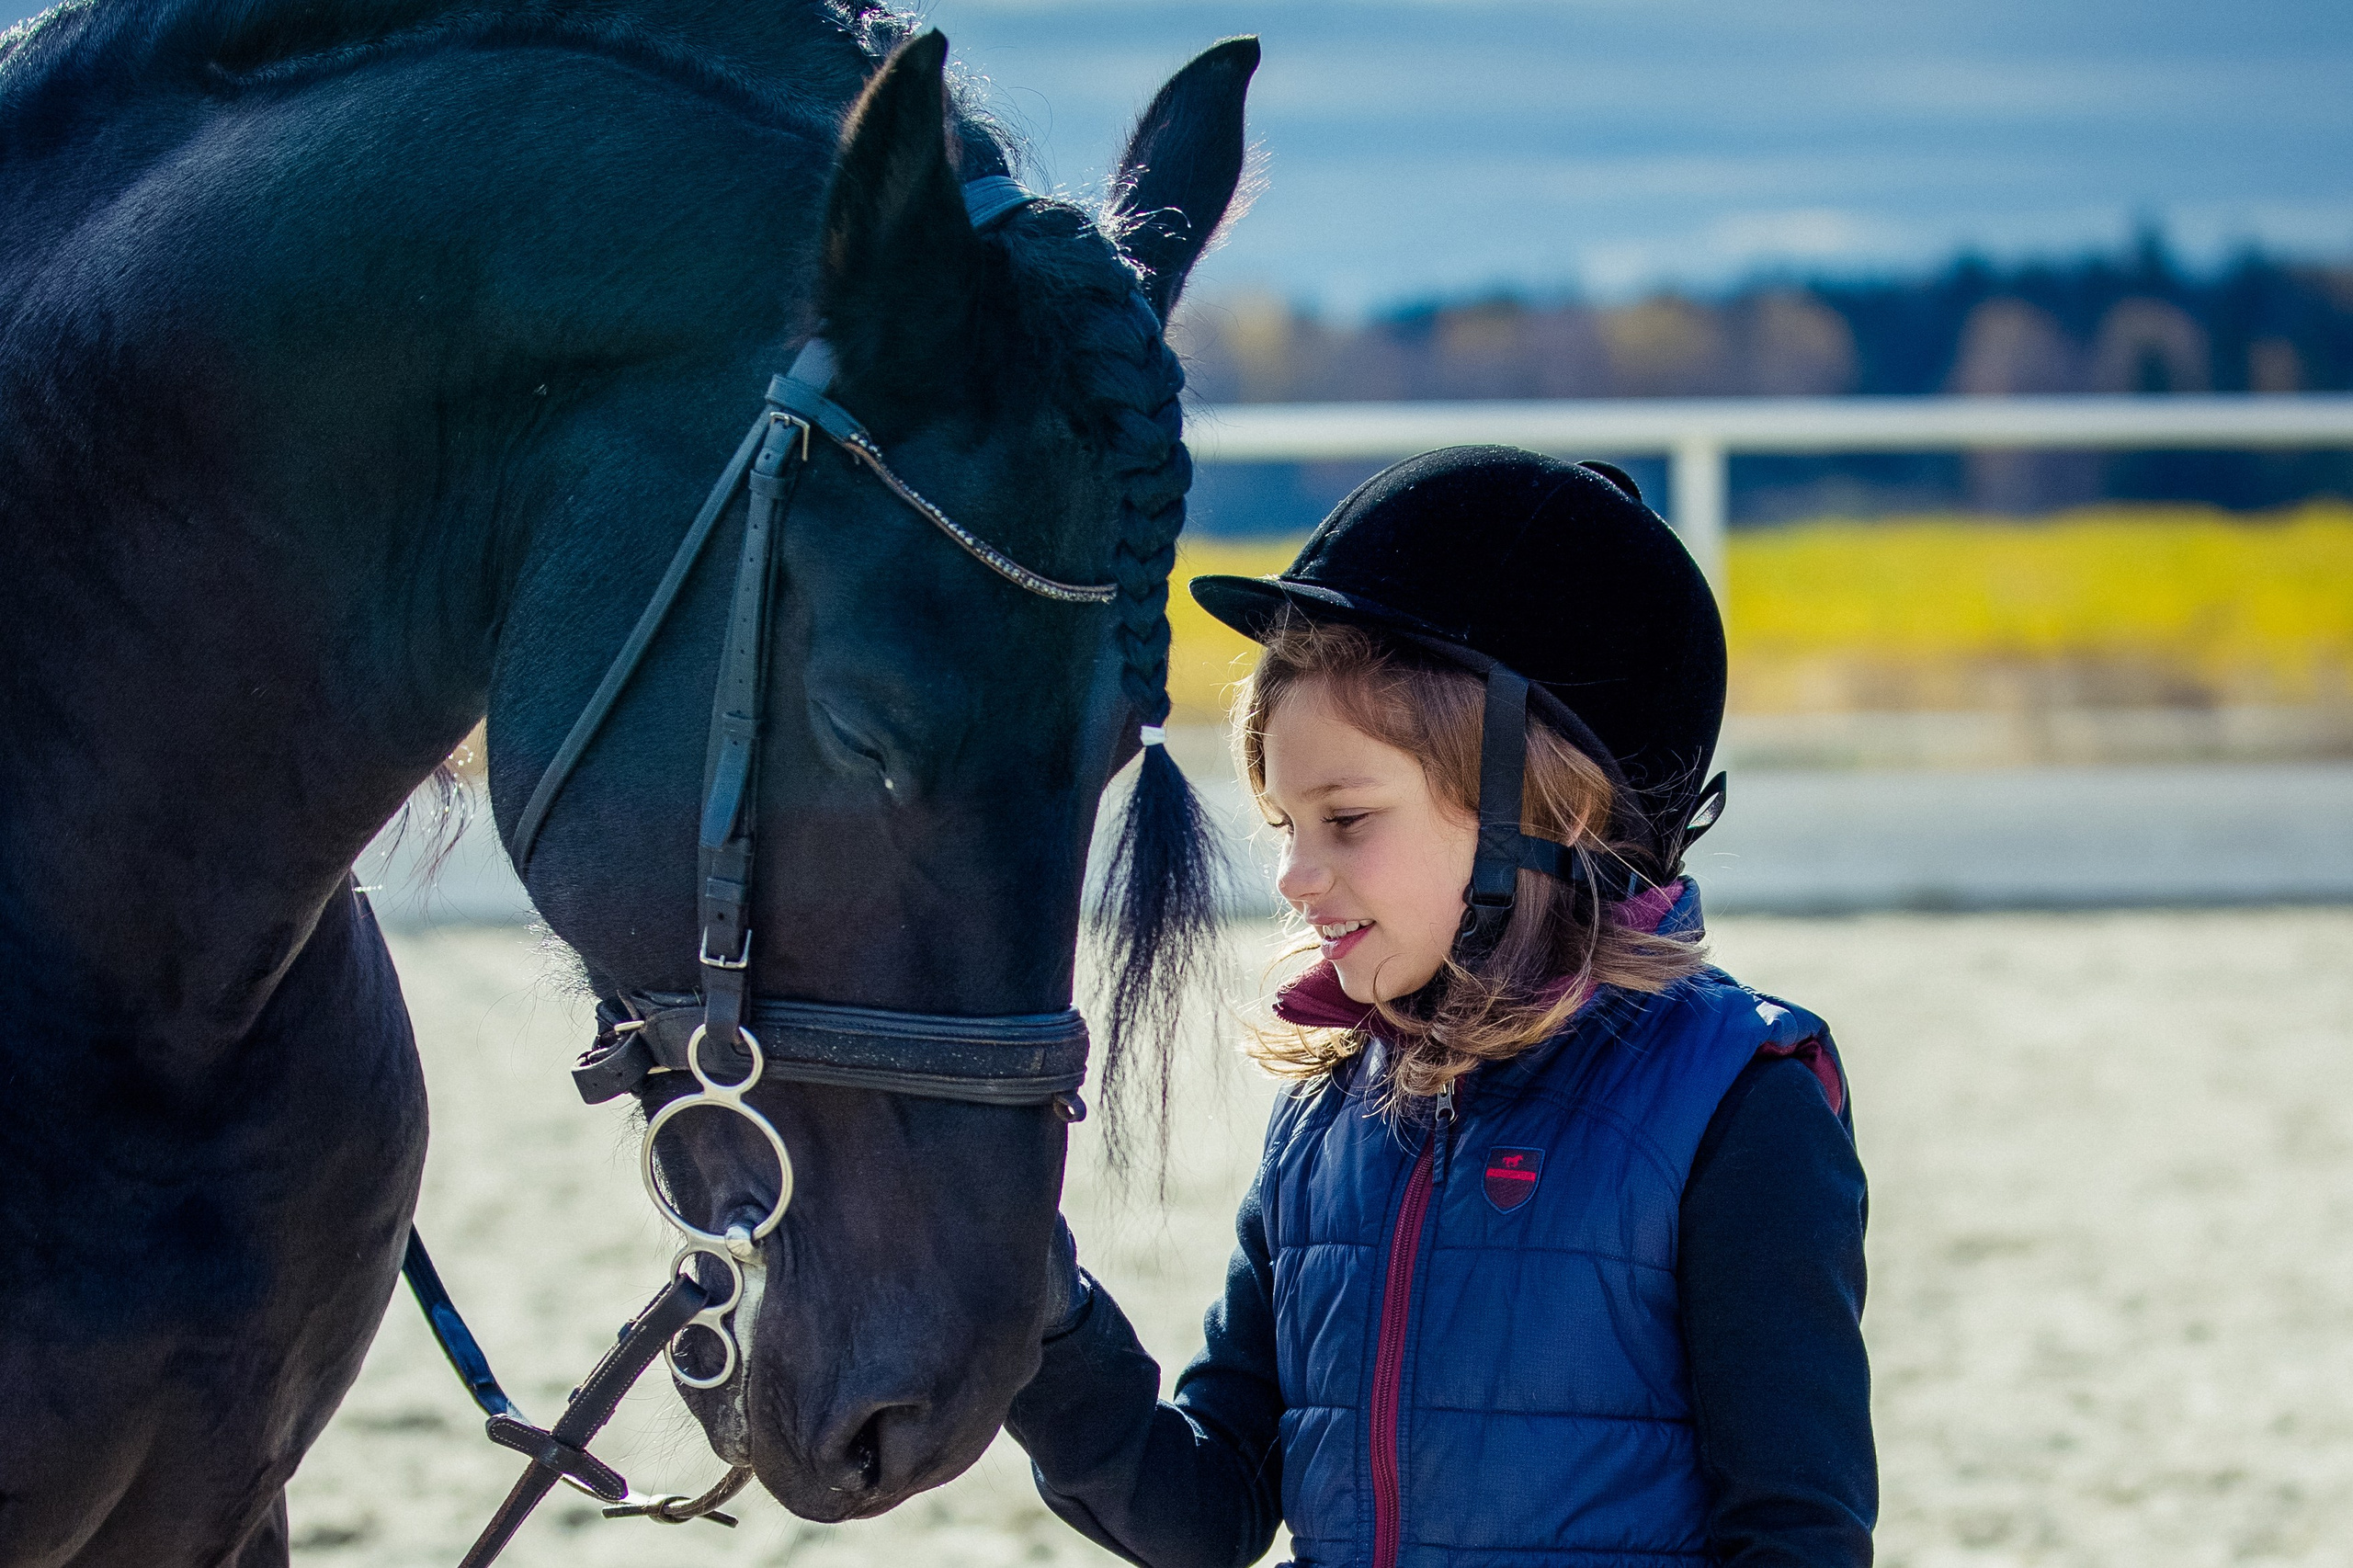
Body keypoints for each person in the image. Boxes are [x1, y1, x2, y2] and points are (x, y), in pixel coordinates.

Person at [1007, 446, 1874, 1568]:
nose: (1293, 877)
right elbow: (1205, 1512)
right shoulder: (1328, 1120)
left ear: (1544, 809)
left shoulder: (1737, 1101)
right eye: (1285, 826)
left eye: (1348, 819)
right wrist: (1039, 1314)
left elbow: (1796, 1534)